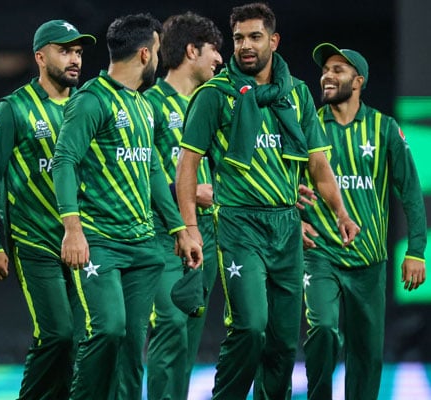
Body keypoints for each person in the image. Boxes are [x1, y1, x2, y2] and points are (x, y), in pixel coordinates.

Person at [175, 3, 360, 399]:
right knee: (251, 327)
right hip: (239, 225)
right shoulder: (215, 95)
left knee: (280, 341)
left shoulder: (295, 94)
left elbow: (319, 163)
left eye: (255, 36)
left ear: (273, 41)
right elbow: (187, 166)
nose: (245, 45)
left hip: (286, 228)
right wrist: (190, 228)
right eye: (239, 37)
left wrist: (341, 212)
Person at [52, 13, 202, 400]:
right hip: (100, 242)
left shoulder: (142, 105)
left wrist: (178, 229)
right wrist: (73, 228)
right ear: (144, 54)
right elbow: (64, 161)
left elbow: (152, 169)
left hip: (142, 245)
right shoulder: (89, 100)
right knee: (108, 329)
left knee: (133, 347)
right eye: (156, 52)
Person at [300, 43, 427, 400]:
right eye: (325, 69)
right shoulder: (307, 127)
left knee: (367, 354)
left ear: (358, 81)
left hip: (369, 259)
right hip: (320, 254)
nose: (327, 75)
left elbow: (410, 192)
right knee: (323, 329)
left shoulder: (384, 128)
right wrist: (294, 221)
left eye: (337, 70)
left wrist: (416, 250)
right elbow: (283, 185)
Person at [0, 19, 95, 399]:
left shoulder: (88, 104)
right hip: (36, 241)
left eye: (78, 51)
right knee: (57, 333)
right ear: (40, 57)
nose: (74, 58)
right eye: (65, 50)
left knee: (81, 340)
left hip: (87, 242)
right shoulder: (14, 108)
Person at [142, 12, 223, 400]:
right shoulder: (150, 106)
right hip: (164, 235)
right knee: (171, 324)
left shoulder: (212, 106)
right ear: (191, 51)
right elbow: (135, 174)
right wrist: (185, 192)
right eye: (213, 51)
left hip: (206, 234)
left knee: (189, 334)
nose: (219, 60)